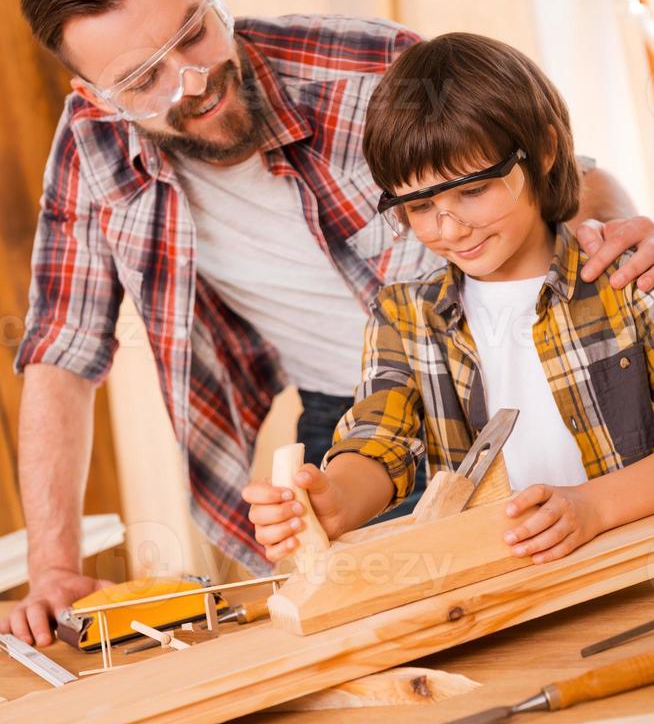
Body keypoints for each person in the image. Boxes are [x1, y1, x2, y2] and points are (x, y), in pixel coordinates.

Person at [4, 0, 653, 648]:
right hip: (361, 400)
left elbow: (564, 171)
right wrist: (54, 567)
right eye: (144, 80)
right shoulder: (90, 152)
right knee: (403, 625)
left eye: (192, 33)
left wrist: (614, 249)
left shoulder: (368, 67)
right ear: (95, 94)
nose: (192, 81)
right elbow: (62, 351)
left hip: (503, 378)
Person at [246, 33, 654, 565]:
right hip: (510, 593)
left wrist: (593, 508)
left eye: (473, 190)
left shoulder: (628, 281)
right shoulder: (405, 317)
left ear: (546, 151)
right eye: (419, 206)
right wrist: (334, 501)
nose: (449, 227)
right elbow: (379, 438)